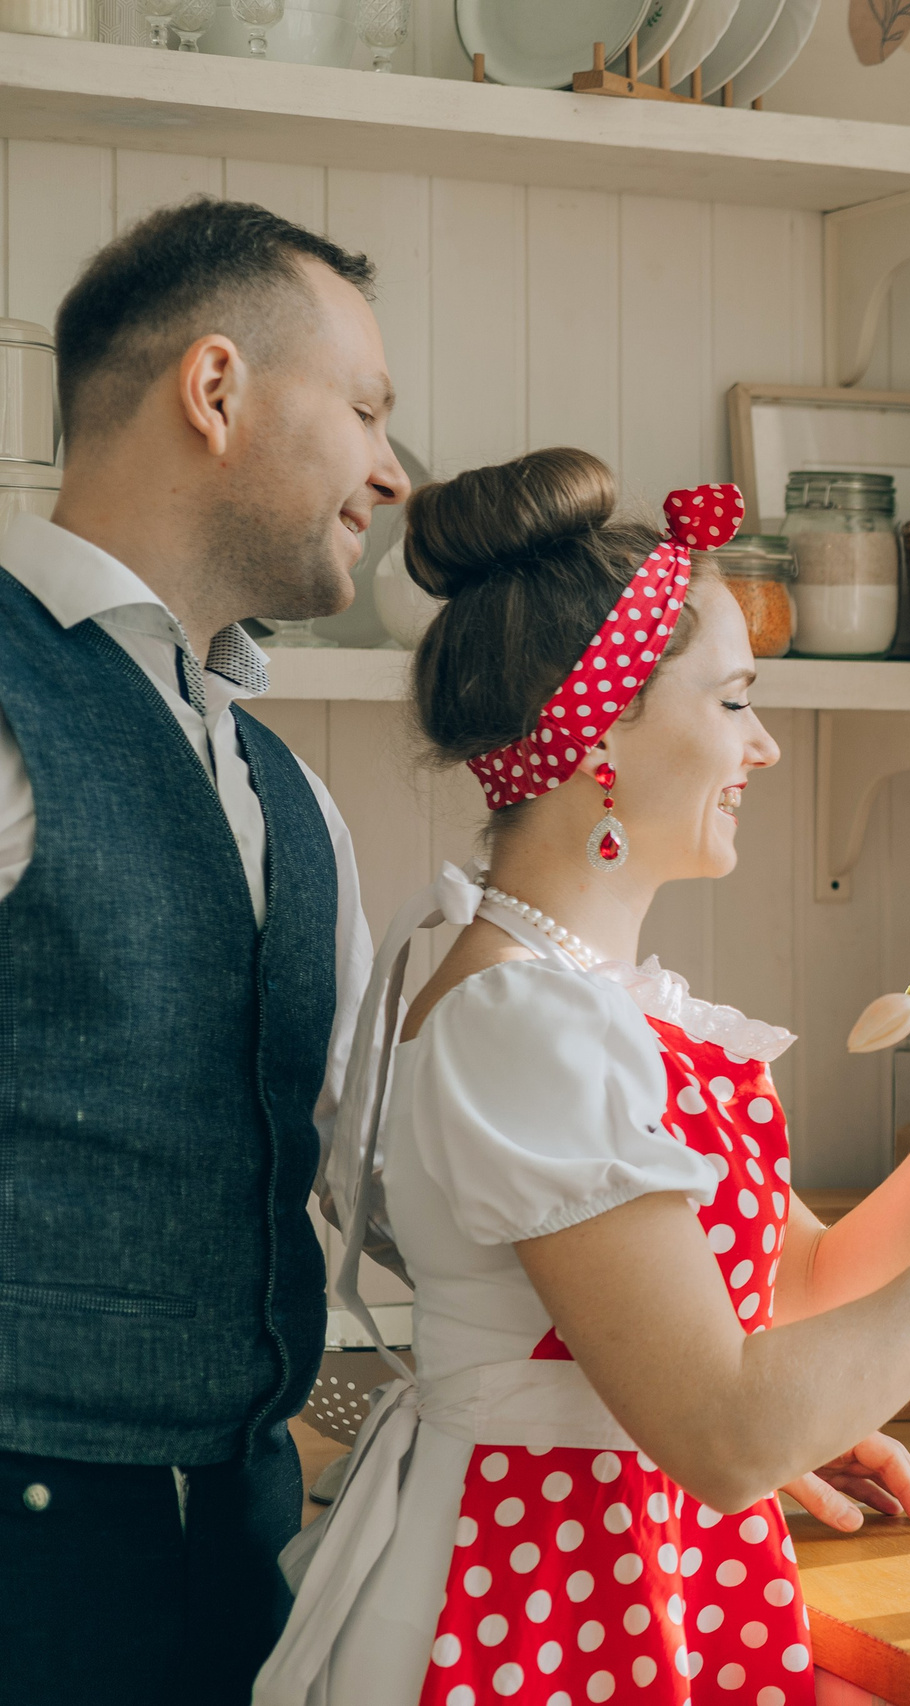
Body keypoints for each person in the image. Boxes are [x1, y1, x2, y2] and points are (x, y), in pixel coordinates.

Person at [257, 448, 910, 1706]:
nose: (767, 747)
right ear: (602, 734)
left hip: (624, 1565)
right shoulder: (524, 1021)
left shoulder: (589, 1001)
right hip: (534, 1598)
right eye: (736, 698)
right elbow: (732, 1434)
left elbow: (803, 1286)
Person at [0, 199, 403, 1701]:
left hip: (227, 1552)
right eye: (364, 409)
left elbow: (394, 1173)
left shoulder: (289, 797)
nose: (390, 470)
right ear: (216, 390)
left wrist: (710, 1387)